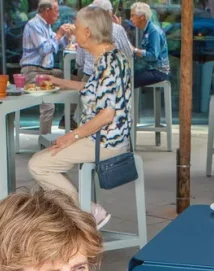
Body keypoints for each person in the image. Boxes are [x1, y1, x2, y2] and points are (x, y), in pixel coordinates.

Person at [28, 6, 130, 228]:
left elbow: (106, 115)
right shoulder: (110, 57)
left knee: (39, 165)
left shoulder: (107, 64)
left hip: (104, 142)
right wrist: (57, 81)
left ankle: (88, 211)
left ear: (88, 32)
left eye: (77, 25)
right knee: (51, 162)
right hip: (106, 138)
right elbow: (91, 87)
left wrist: (72, 136)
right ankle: (73, 214)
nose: (73, 30)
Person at [21, 0, 74, 135]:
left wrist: (67, 38)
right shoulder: (34, 25)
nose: (58, 14)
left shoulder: (47, 26)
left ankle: (68, 118)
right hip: (33, 71)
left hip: (48, 71)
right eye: (56, 11)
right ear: (47, 11)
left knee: (75, 82)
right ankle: (44, 142)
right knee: (48, 105)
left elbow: (56, 45)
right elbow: (45, 49)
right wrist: (59, 34)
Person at [77, 0, 133, 78]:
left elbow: (80, 61)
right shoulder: (117, 29)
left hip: (89, 77)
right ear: (107, 12)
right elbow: (128, 53)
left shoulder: (85, 29)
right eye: (111, 11)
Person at [130, 3, 169, 88]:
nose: (130, 19)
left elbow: (153, 56)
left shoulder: (153, 31)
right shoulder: (147, 30)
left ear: (142, 17)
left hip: (158, 71)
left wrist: (135, 50)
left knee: (129, 81)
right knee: (126, 76)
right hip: (149, 68)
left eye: (133, 16)